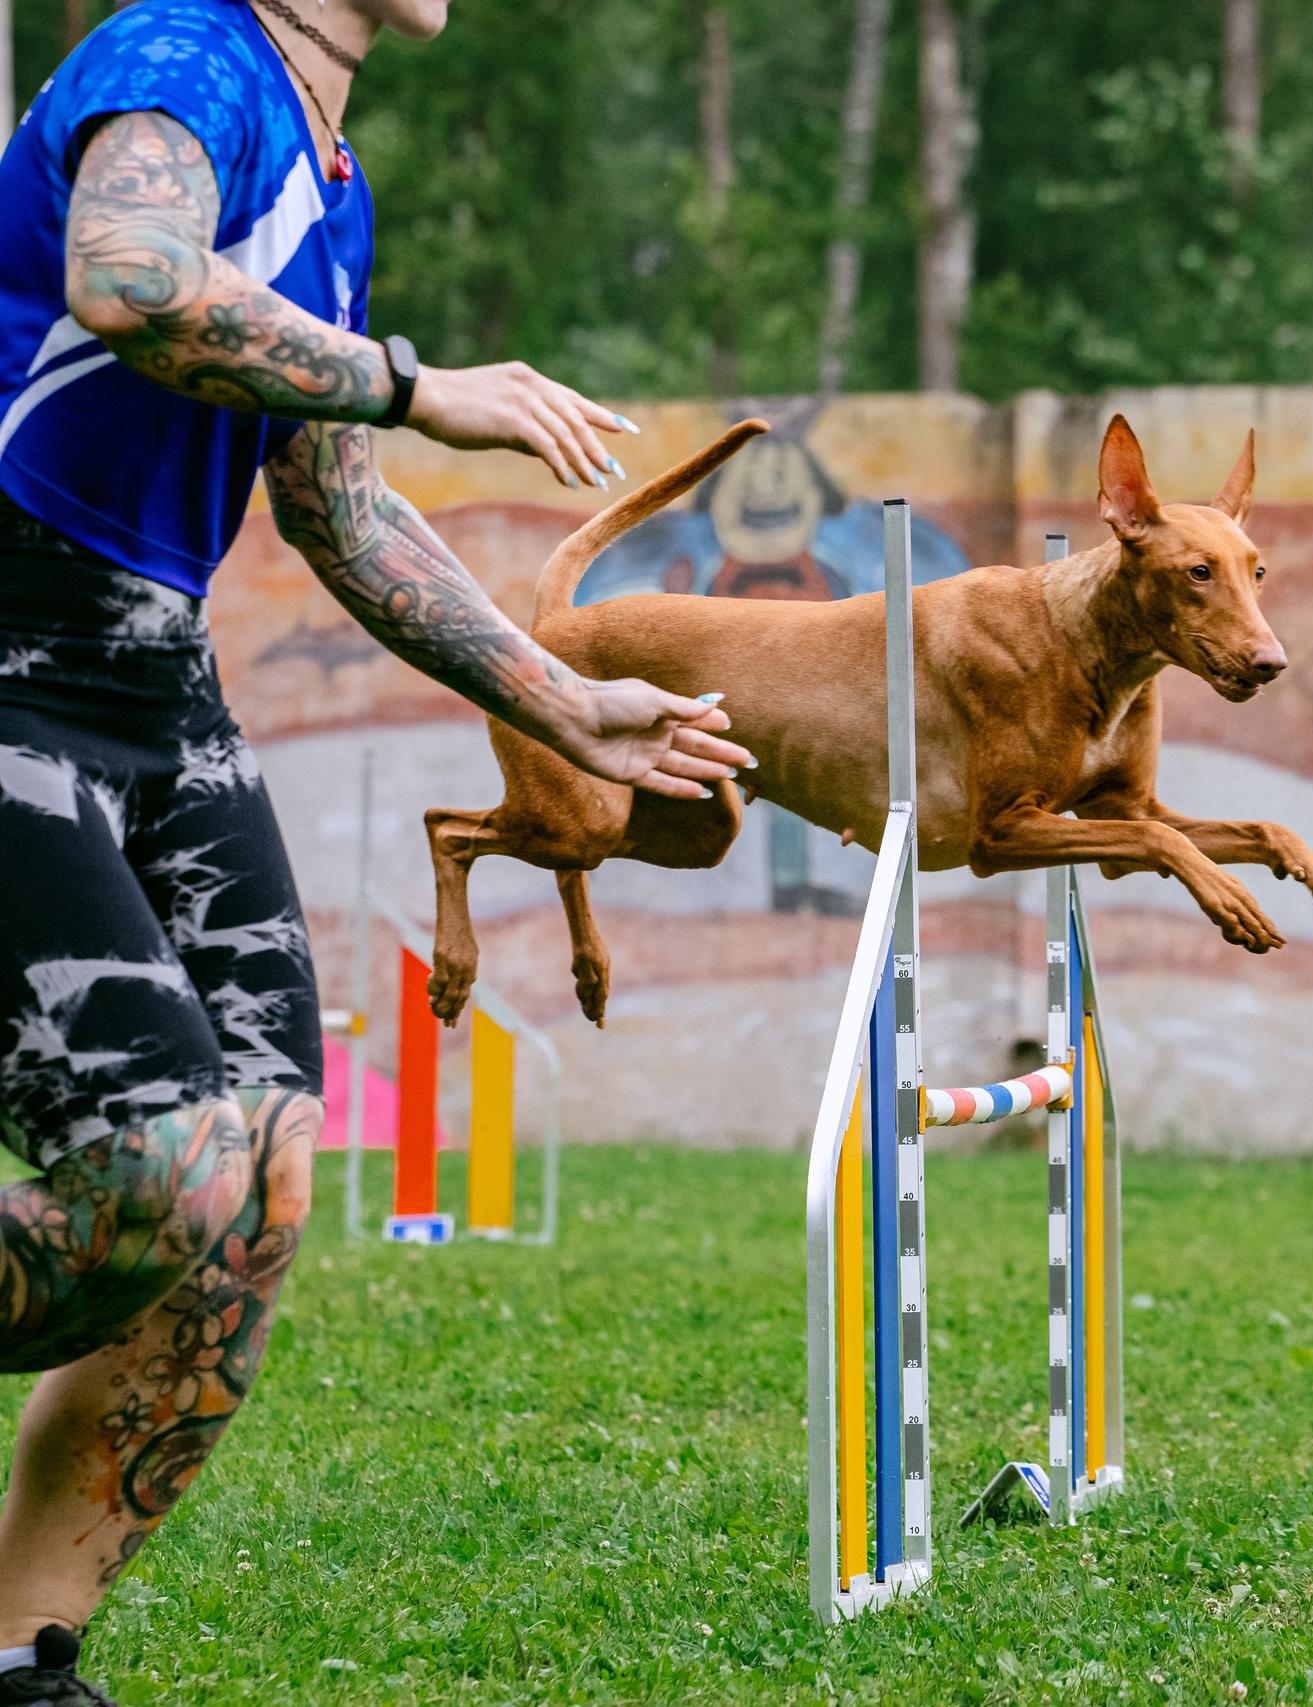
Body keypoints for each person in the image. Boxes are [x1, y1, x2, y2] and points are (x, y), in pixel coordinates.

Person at [0, 2, 752, 1699]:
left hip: (147, 676)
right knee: (155, 1174)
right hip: (5, 654)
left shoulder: (327, 167)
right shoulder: (182, 63)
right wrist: (424, 381)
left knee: (254, 1197)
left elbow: (330, 497)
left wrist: (567, 702)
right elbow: (132, 283)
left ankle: (17, 1662)